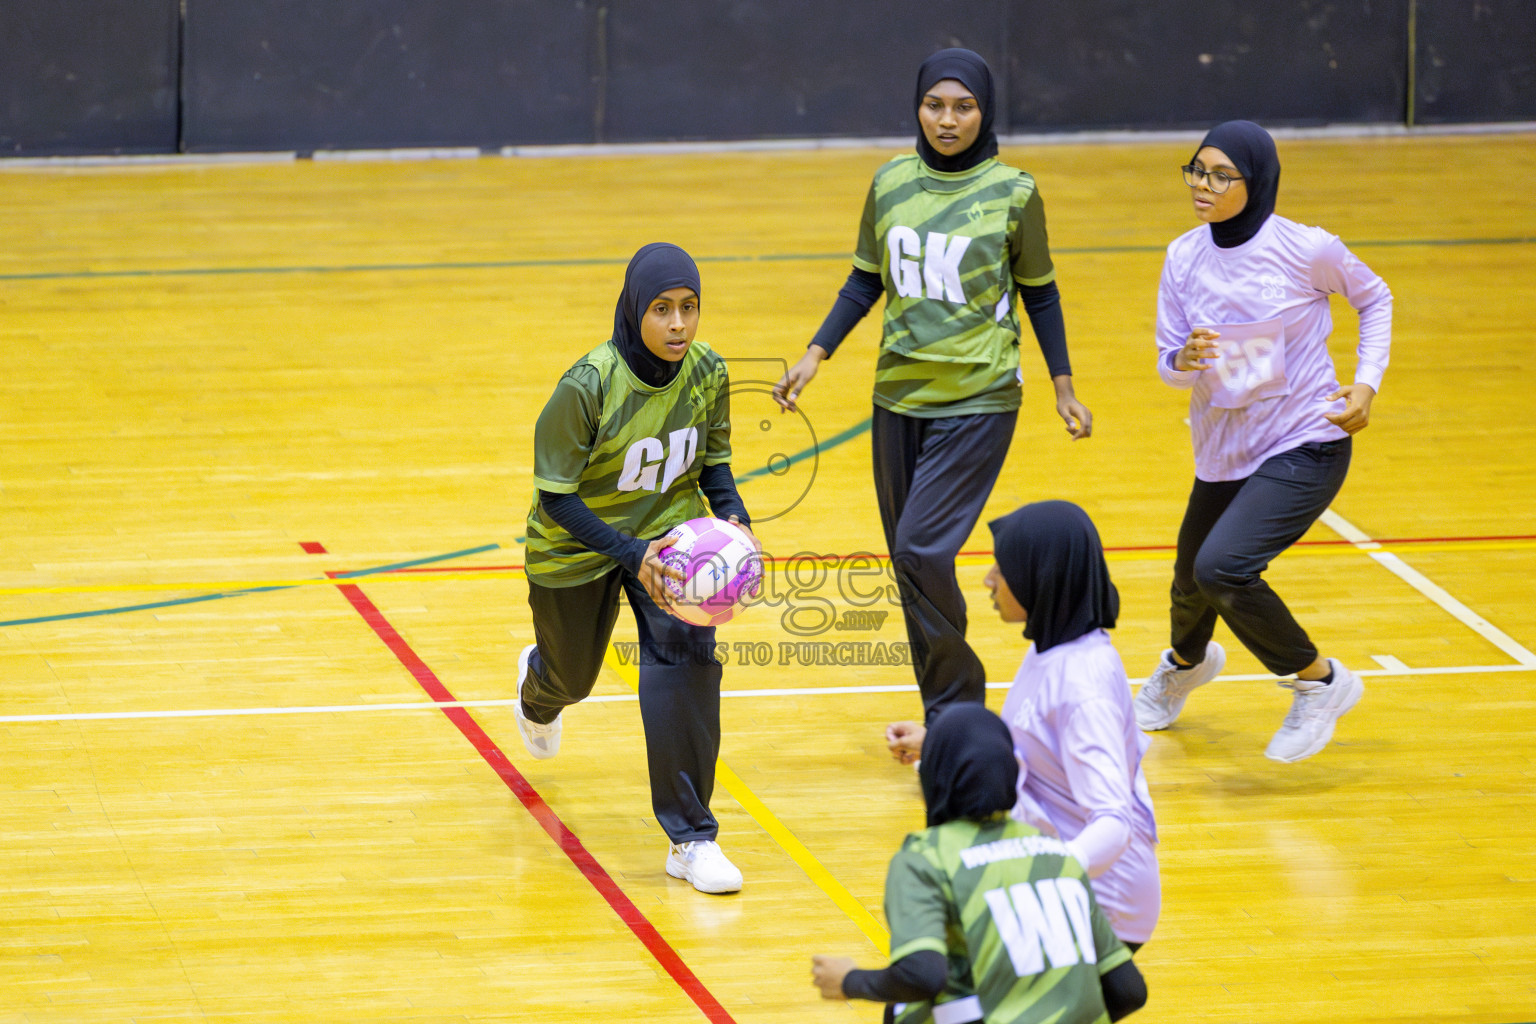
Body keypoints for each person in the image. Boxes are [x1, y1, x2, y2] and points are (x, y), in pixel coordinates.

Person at [772, 47, 1093, 730]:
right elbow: (865, 279)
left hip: (979, 397)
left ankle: (959, 709)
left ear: (985, 111)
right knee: (909, 565)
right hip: (897, 396)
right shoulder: (890, 182)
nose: (948, 120)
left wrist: (1063, 386)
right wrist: (815, 354)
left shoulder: (1014, 193)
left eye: (964, 107)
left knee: (923, 549)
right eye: (934, 105)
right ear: (917, 107)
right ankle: (945, 717)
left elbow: (1040, 293)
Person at [1132, 120, 1392, 763]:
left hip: (1306, 440)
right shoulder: (1182, 256)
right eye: (1197, 170)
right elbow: (1168, 363)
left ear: (1259, 182)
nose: (1203, 185)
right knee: (1190, 581)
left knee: (1222, 567)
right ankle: (1186, 665)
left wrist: (1366, 383)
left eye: (1222, 176)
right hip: (1224, 447)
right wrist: (1183, 359)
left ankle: (1319, 682)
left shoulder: (1306, 249)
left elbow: (1375, 298)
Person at [517, 242, 755, 894]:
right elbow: (556, 498)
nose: (679, 324)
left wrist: (735, 518)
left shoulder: (707, 371)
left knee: (686, 663)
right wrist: (628, 552)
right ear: (634, 310)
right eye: (662, 309)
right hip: (576, 544)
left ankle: (691, 838)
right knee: (572, 678)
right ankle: (539, 688)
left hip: (669, 538)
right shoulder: (587, 386)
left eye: (689, 308)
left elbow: (714, 465)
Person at [886, 501, 1160, 947]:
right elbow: (1035, 749)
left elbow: (1114, 823)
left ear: (1040, 576)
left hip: (1099, 905)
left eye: (1002, 568)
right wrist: (935, 744)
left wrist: (1044, 875)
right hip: (1061, 887)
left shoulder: (1083, 687)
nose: (988, 579)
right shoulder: (1053, 649)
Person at [812, 703, 1147, 1023]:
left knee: (904, 1008)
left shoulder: (926, 858)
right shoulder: (1055, 853)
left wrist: (849, 981)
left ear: (933, 775)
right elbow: (1129, 990)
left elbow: (922, 975)